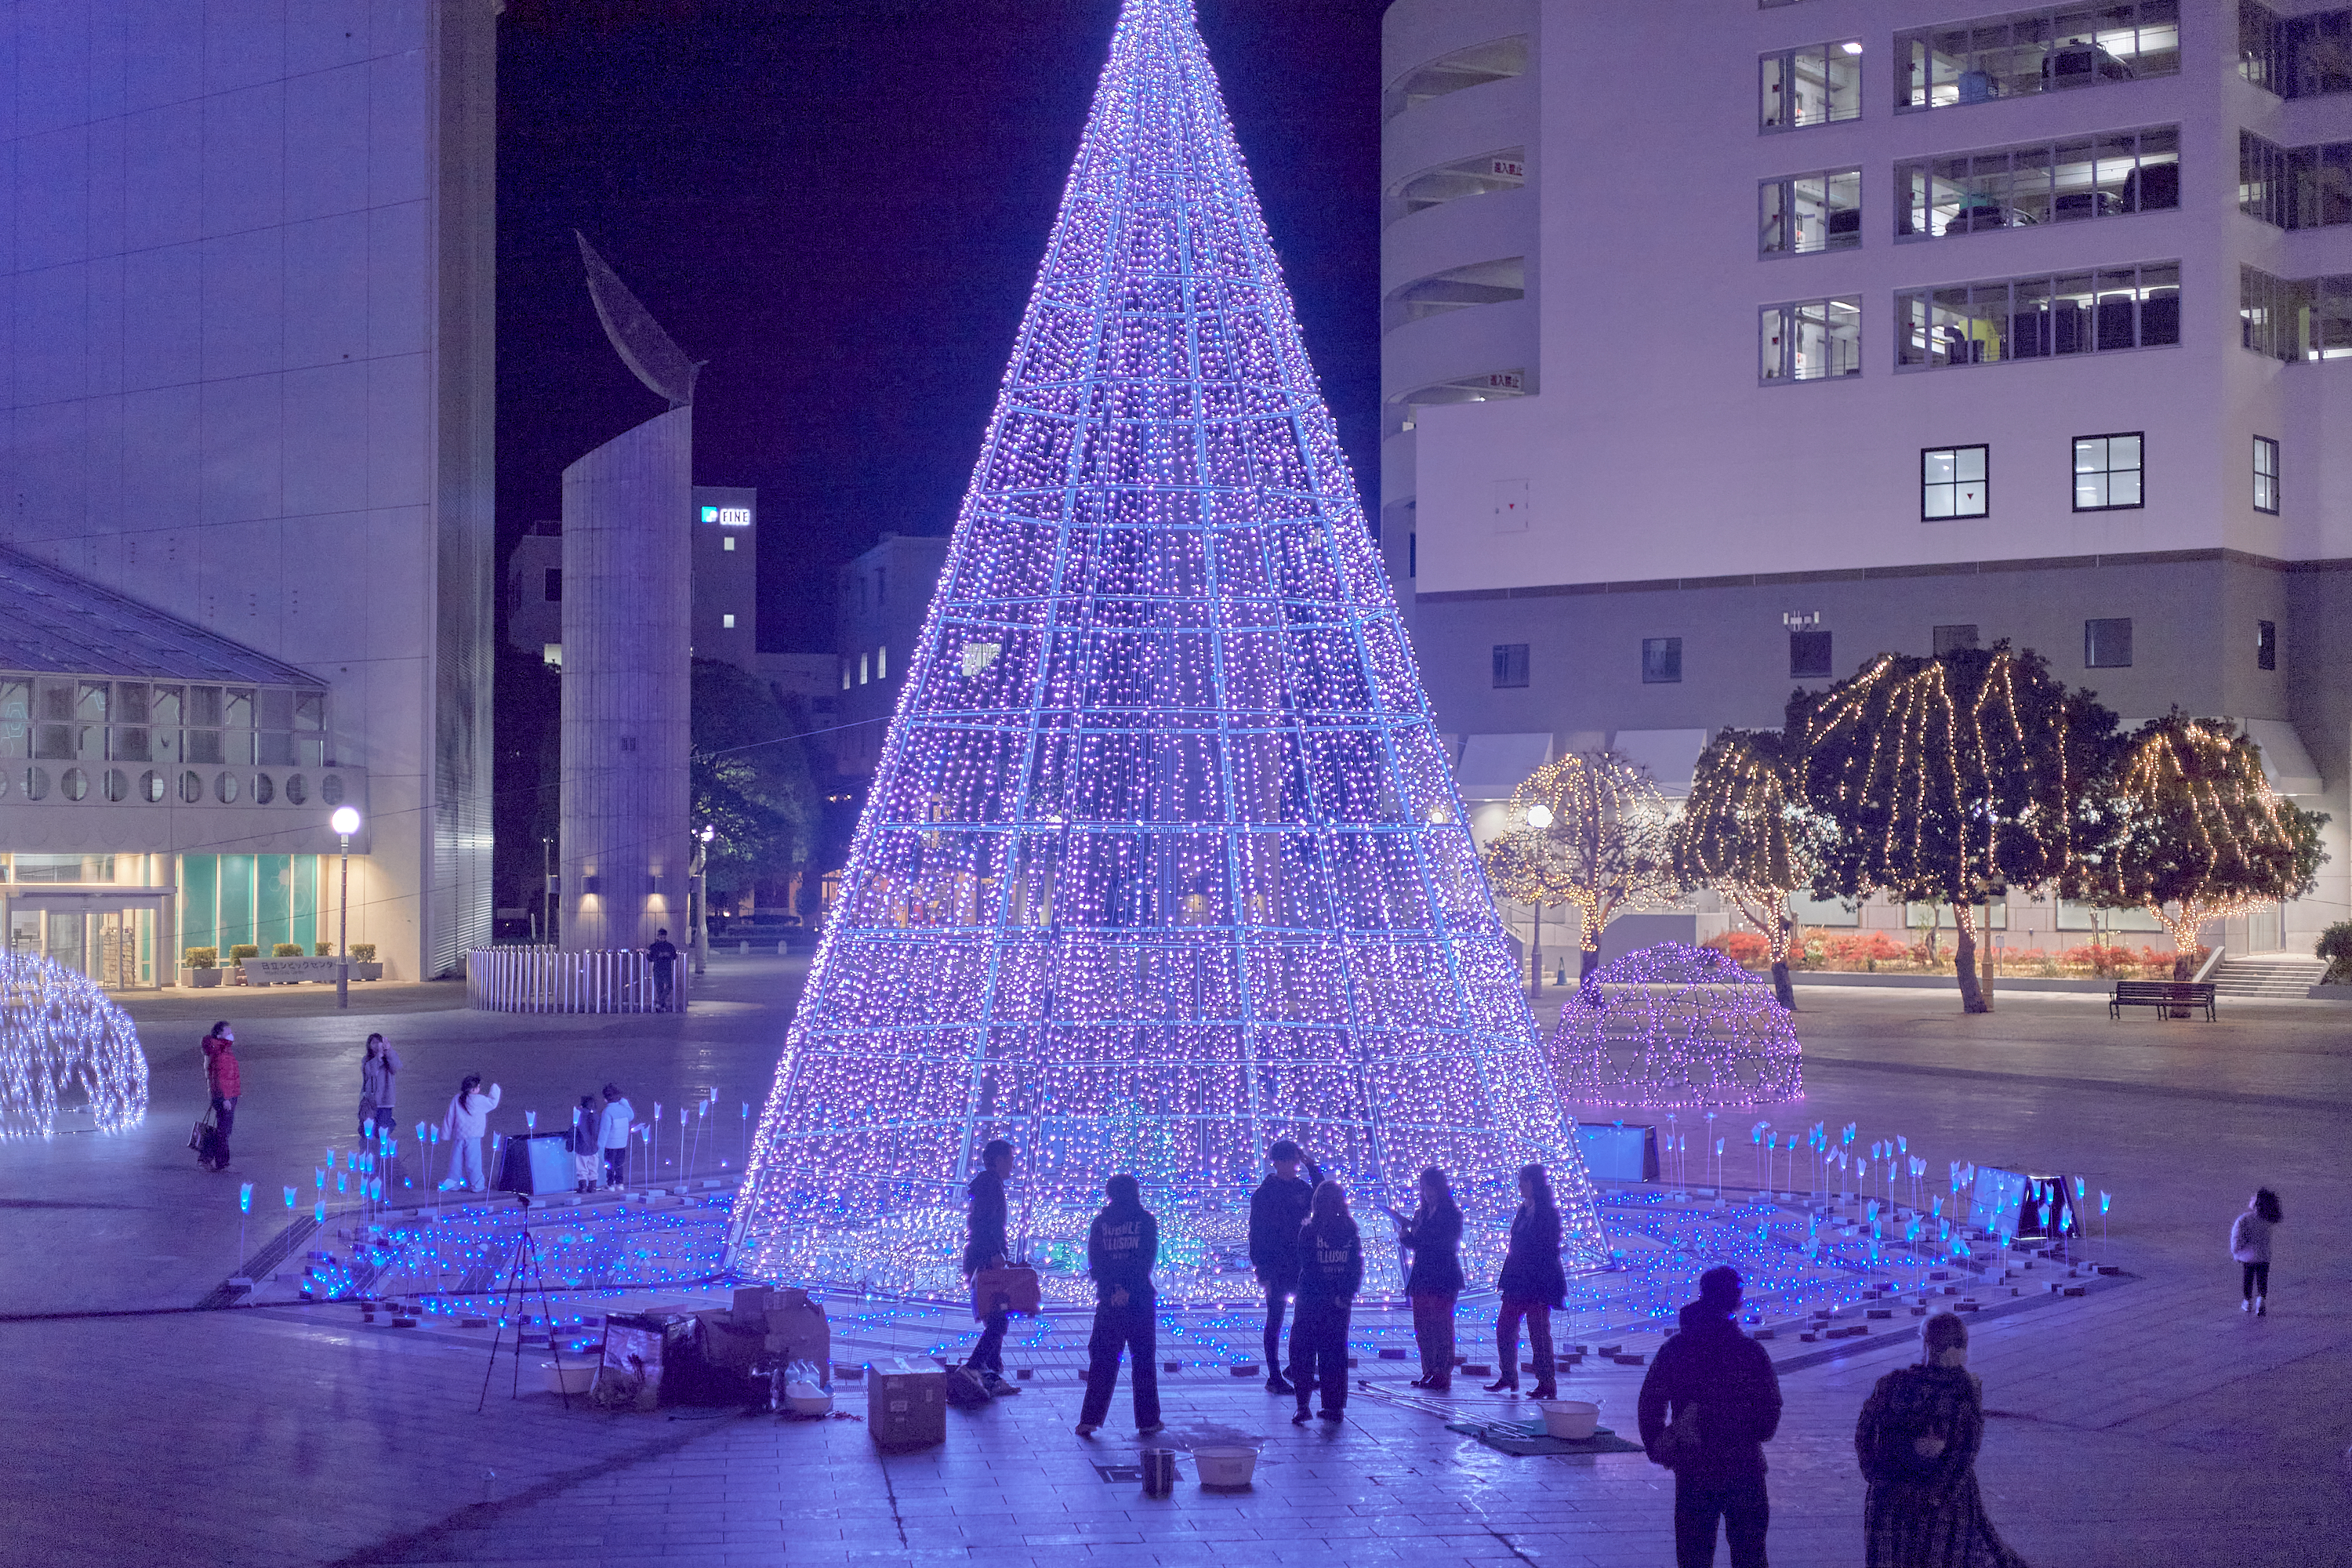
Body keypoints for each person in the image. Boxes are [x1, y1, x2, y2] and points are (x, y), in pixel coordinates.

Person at [1853, 1312, 2031, 1568]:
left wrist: (1875, 1475)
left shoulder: (1892, 1385)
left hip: (1891, 1501)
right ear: (1958, 1350)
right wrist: (1936, 1496)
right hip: (1942, 1509)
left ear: (1925, 1344)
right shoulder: (1964, 1391)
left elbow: (1864, 1436)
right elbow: (1965, 1453)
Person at [1639, 1265, 1784, 1568]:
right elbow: (1769, 1414)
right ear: (1736, 1300)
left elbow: (1650, 1400)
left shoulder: (1677, 1348)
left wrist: (1659, 1443)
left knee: (1694, 1556)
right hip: (1743, 1465)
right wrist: (1745, 1431)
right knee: (1750, 1555)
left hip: (1694, 1465)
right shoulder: (1749, 1351)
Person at [1075, 1173, 1163, 1438]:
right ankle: (1147, 1420)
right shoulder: (1146, 1221)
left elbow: (1096, 1260)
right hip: (1139, 1299)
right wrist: (1128, 1288)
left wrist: (1113, 1289)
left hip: (1109, 1300)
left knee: (1102, 1360)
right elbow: (1146, 1259)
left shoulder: (1100, 1223)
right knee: (1143, 1360)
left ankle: (1089, 1420)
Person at [1288, 1178, 1363, 1425]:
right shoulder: (1350, 1230)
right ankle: (1334, 1406)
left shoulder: (1309, 1230)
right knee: (1334, 1354)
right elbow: (1355, 1266)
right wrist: (1345, 1293)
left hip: (1311, 1300)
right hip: (1338, 1304)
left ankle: (1302, 1405)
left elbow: (1307, 1266)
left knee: (1303, 1352)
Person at [1248, 1138, 1319, 1393]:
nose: (1292, 1165)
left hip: (1300, 1264)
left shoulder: (1302, 1188)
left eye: (1295, 1161)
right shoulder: (1265, 1194)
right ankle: (1275, 1375)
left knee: (1304, 1320)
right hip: (1277, 1266)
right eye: (1287, 1160)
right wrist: (1262, 1270)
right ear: (1276, 1162)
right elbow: (1256, 1234)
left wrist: (1313, 1167)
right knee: (1275, 1320)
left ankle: (1296, 1368)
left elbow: (1324, 1198)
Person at [1490, 1163, 1564, 1399]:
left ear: (1534, 1183)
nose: (1519, 1185)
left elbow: (1547, 1249)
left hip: (1538, 1284)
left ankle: (1546, 1382)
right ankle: (1508, 1375)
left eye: (1523, 1180)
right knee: (1504, 1328)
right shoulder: (1524, 1210)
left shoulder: (1547, 1213)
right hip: (1517, 1282)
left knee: (1539, 1334)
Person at [1392, 1166, 1464, 1392]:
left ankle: (1443, 1373)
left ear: (1440, 1188)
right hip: (1423, 1276)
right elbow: (1417, 1244)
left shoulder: (1451, 1214)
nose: (1426, 1192)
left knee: (1441, 1327)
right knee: (1423, 1326)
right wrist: (1405, 1236)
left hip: (1443, 1276)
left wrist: (1418, 1238)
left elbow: (1444, 1244)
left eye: (1429, 1187)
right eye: (1423, 1188)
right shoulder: (1421, 1213)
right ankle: (1429, 1370)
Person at [960, 1138, 1021, 1396]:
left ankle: (992, 1375)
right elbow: (987, 1225)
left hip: (979, 1258)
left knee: (995, 1318)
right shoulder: (991, 1187)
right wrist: (996, 1253)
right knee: (998, 1321)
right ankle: (973, 1367)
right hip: (987, 1260)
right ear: (997, 1161)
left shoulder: (985, 1185)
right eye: (1009, 1159)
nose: (1013, 1164)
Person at [440, 1073, 501, 1192]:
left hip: (459, 1136)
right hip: (474, 1137)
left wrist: (445, 1134)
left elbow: (449, 1117)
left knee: (455, 1162)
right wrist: (495, 1088)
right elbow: (493, 1103)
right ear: (474, 1089)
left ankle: (452, 1183)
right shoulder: (480, 1100)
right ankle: (477, 1185)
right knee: (474, 1162)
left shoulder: (457, 1099)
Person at [2230, 1187, 2283, 1316]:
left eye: (2254, 1197)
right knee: (2262, 1279)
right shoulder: (2268, 1220)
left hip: (2248, 1256)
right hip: (2264, 1256)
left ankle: (2247, 1302)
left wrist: (2236, 1252)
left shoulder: (2244, 1219)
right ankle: (2261, 1301)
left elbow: (2236, 1237)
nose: (2251, 1198)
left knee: (2248, 1279)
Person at [200, 1022, 239, 1172]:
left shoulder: (223, 1049)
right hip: (225, 1097)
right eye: (228, 1031)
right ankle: (222, 1164)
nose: (231, 1033)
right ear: (219, 1034)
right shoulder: (221, 1053)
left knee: (222, 1130)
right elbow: (220, 1078)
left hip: (227, 1095)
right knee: (224, 1132)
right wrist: (225, 1099)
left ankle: (206, 1158)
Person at [358, 1033, 401, 1142]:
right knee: (366, 1131)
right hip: (370, 1102)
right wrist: (378, 1058)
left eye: (379, 1042)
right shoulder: (367, 1060)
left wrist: (389, 1051)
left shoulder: (389, 1058)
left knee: (380, 1132)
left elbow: (396, 1066)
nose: (376, 1045)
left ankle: (389, 1123)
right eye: (373, 1043)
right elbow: (369, 1071)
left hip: (385, 1101)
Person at [597, 1083, 634, 1189]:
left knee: (609, 1164)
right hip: (622, 1143)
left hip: (610, 1144)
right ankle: (620, 1183)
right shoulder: (624, 1109)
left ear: (605, 1099)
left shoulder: (607, 1111)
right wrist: (624, 1102)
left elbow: (605, 1130)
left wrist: (600, 1145)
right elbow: (631, 1116)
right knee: (619, 1164)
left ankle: (610, 1185)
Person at [572, 1094, 603, 1193]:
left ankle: (583, 1187)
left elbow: (573, 1130)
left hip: (582, 1147)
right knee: (593, 1167)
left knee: (581, 1168)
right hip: (594, 1147)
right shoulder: (596, 1116)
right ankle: (593, 1187)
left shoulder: (578, 1115)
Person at [646, 927, 681, 1012]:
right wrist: (662, 955)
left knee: (665, 987)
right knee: (661, 988)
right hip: (664, 968)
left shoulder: (654, 946)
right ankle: (662, 1005)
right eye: (661, 937)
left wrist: (663, 955)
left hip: (660, 969)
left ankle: (659, 1003)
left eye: (663, 937)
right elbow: (650, 958)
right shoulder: (668, 946)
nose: (662, 938)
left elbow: (674, 956)